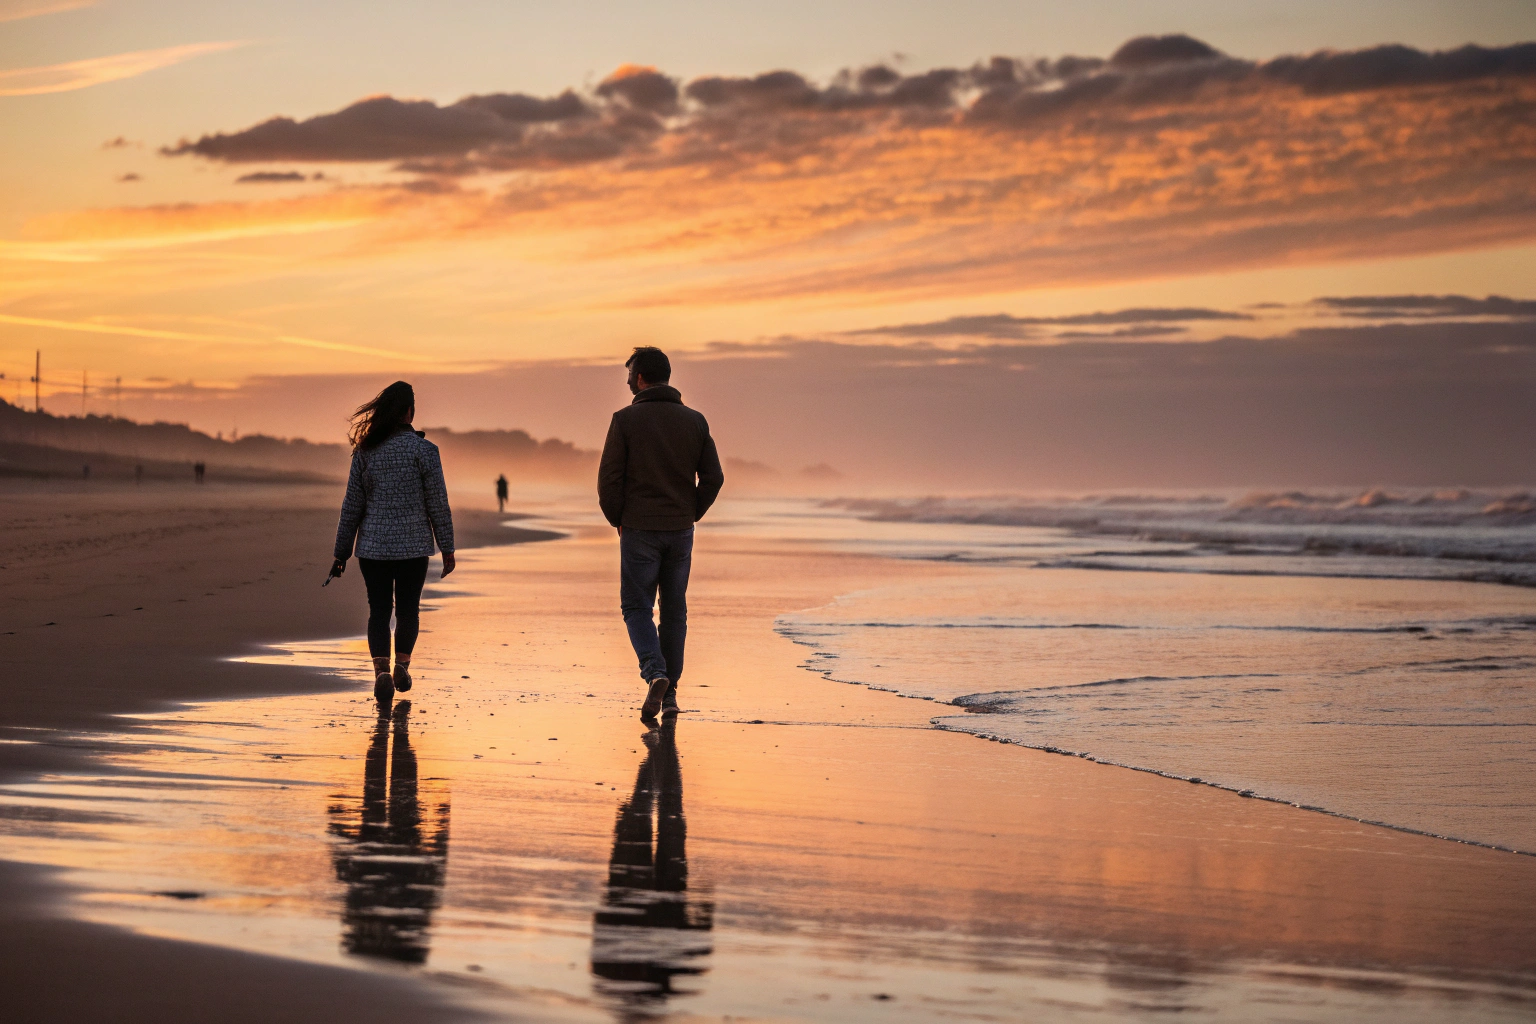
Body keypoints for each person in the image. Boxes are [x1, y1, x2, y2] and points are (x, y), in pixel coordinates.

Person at [598, 347, 724, 719]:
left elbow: (609, 481)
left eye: (629, 377)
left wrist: (618, 519)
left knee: (637, 607)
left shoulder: (625, 420)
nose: (627, 384)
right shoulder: (695, 421)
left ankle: (655, 673)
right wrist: (691, 513)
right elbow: (714, 478)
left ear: (640, 379)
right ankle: (670, 698)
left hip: (639, 529)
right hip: (680, 530)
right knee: (674, 612)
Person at [330, 381, 456, 702]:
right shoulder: (425, 451)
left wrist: (342, 552)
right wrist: (447, 547)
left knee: (379, 611)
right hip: (413, 548)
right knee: (408, 610)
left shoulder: (365, 452)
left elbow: (352, 505)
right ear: (409, 411)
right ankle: (402, 665)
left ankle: (381, 673)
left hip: (373, 549)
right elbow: (437, 503)